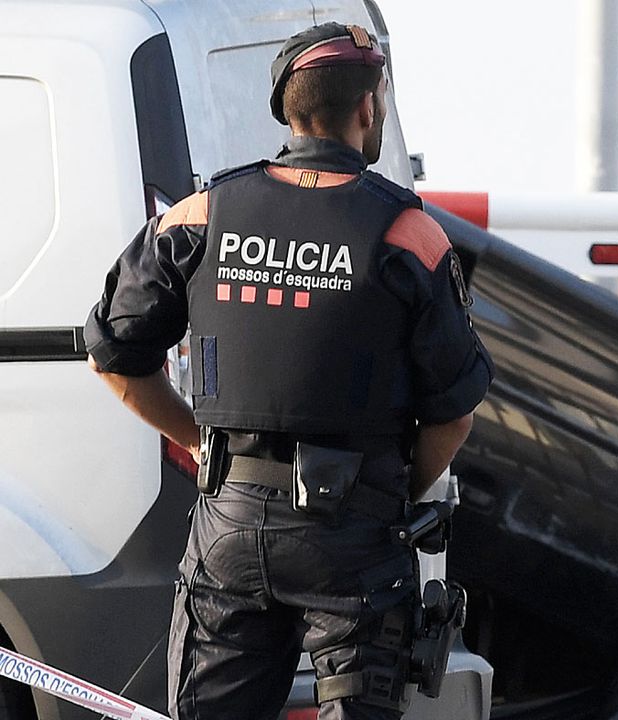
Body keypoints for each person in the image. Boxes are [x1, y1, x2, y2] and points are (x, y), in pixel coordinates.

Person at [83, 22, 492, 720]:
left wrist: (199, 442)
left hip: (228, 533)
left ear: (287, 109)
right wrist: (391, 494)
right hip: (354, 548)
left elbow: (113, 354)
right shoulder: (406, 233)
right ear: (368, 108)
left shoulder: (205, 213)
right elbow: (452, 414)